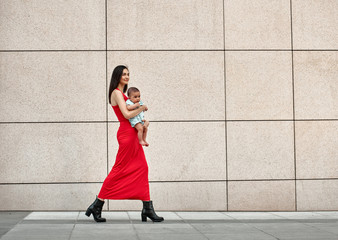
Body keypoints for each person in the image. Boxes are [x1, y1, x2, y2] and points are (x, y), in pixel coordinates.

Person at [85, 65, 163, 223]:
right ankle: (97, 204)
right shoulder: (116, 92)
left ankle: (147, 207)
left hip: (133, 133)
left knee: (142, 167)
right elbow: (127, 114)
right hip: (127, 135)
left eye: (128, 74)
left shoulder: (125, 94)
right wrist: (141, 107)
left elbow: (132, 113)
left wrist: (142, 118)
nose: (127, 77)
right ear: (117, 76)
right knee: (119, 169)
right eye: (124, 74)